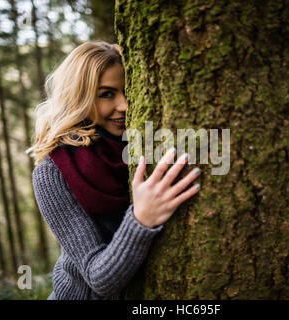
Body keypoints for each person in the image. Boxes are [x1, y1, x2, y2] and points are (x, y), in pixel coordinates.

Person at [27, 41, 201, 300]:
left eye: (127, 91)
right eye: (107, 94)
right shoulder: (53, 172)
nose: (125, 106)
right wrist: (141, 218)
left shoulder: (138, 144)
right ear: (79, 97)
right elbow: (99, 279)